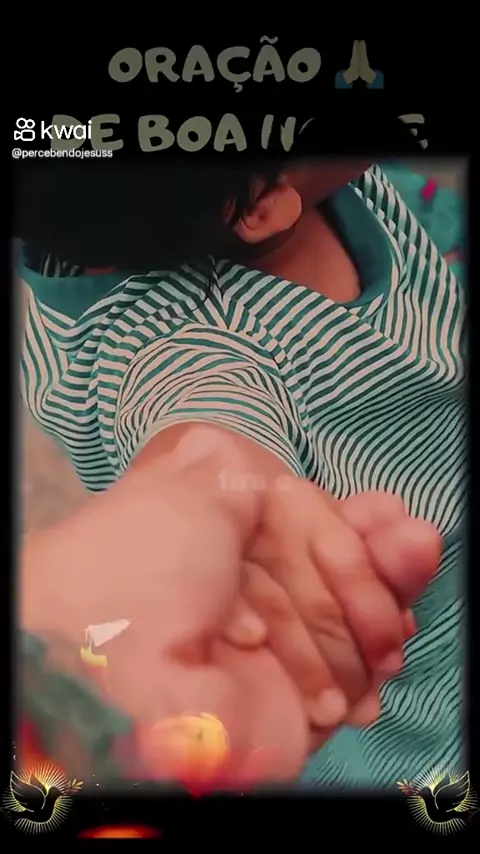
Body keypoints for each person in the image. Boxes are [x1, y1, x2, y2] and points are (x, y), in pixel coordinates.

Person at [16, 156, 465, 787]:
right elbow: (203, 420)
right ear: (259, 205)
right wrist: (203, 481)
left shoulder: (266, 187)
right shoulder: (194, 348)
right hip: (412, 683)